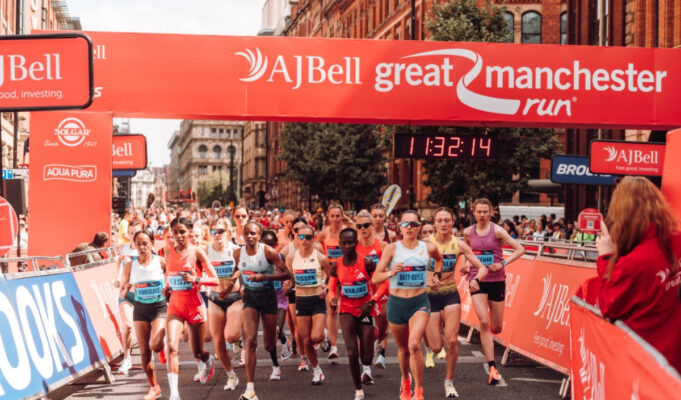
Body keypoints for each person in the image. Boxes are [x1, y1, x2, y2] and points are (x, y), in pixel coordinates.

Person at [595, 177, 681, 372]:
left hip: (646, 360)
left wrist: (606, 258)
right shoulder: (676, 241)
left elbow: (609, 305)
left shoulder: (633, 263)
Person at [372, 210, 443, 400]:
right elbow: (375, 277)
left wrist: (436, 276)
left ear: (419, 227)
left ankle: (419, 391)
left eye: (413, 224)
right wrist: (390, 273)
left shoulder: (428, 247)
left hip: (419, 302)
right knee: (403, 349)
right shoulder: (392, 249)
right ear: (399, 227)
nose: (409, 228)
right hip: (396, 304)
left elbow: (439, 259)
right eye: (405, 224)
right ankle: (405, 382)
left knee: (414, 345)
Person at [426, 207, 488, 398]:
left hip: (450, 294)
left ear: (452, 222)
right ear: (434, 223)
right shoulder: (425, 244)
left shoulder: (458, 244)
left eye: (447, 220)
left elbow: (482, 267)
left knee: (452, 341)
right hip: (429, 296)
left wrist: (476, 279)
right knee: (437, 347)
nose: (443, 224)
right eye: (440, 220)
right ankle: (433, 347)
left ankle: (449, 382)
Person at [463, 199, 525, 385]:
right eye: (479, 211)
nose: (482, 215)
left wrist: (503, 263)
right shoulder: (468, 232)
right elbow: (468, 252)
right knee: (483, 321)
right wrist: (467, 266)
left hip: (497, 280)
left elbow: (520, 249)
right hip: (477, 280)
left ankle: (490, 338)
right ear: (473, 212)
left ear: (491, 213)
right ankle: (492, 367)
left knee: (496, 327)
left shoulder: (497, 231)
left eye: (485, 212)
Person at [234, 222, 290, 400]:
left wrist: (266, 276)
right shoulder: (238, 253)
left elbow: (287, 274)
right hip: (250, 298)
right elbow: (237, 271)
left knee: (268, 345)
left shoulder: (268, 252)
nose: (249, 236)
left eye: (253, 233)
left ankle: (279, 338)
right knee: (250, 340)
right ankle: (250, 389)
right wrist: (230, 287)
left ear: (259, 236)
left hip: (268, 298)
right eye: (246, 233)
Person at [165, 217, 219, 400]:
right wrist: (166, 286)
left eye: (182, 232)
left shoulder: (197, 252)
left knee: (197, 351)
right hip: (175, 306)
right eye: (175, 232)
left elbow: (215, 279)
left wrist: (196, 279)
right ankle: (174, 393)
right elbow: (169, 276)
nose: (179, 236)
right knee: (172, 346)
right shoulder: (167, 252)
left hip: (194, 306)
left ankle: (207, 359)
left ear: (189, 232)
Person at [329, 228, 378, 400]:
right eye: (344, 243)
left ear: (356, 244)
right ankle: (358, 390)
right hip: (347, 310)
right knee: (351, 352)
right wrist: (333, 299)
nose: (348, 245)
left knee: (367, 357)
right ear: (340, 244)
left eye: (351, 242)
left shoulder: (367, 263)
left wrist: (372, 302)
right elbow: (331, 287)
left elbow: (382, 283)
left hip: (366, 309)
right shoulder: (336, 265)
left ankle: (367, 364)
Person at [119, 229, 167, 400]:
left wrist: (167, 290)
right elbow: (122, 293)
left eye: (145, 243)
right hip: (140, 309)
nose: (142, 247)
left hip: (158, 308)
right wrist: (124, 288)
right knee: (144, 352)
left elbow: (169, 282)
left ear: (152, 244)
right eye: (138, 244)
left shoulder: (160, 262)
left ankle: (162, 341)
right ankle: (154, 387)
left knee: (155, 345)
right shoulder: (130, 265)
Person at [288, 224, 331, 384]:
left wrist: (325, 286)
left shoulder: (320, 257)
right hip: (301, 300)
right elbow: (290, 278)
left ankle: (323, 335)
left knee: (315, 337)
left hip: (317, 300)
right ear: (296, 238)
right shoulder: (291, 257)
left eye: (308, 237)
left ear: (313, 239)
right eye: (301, 237)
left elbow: (330, 274)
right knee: (306, 341)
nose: (304, 240)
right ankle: (317, 370)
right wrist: (288, 284)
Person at [205, 219, 240, 392]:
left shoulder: (235, 251)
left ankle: (238, 339)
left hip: (234, 297)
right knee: (218, 344)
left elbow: (244, 269)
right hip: (214, 298)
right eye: (213, 231)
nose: (217, 235)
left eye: (221, 231)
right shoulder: (205, 251)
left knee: (231, 336)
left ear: (228, 232)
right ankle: (231, 375)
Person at [316, 204, 354, 361]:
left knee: (349, 309)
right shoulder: (324, 233)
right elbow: (316, 246)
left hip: (347, 274)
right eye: (332, 216)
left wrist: (349, 220)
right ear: (328, 217)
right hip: (331, 274)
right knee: (332, 309)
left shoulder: (347, 231)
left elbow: (356, 232)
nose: (335, 219)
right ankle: (333, 346)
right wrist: (324, 261)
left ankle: (353, 343)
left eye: (338, 216)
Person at [354, 211, 389, 369]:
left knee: (381, 330)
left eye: (366, 225)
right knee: (363, 331)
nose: (363, 229)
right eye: (359, 226)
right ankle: (366, 368)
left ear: (372, 226)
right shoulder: (353, 247)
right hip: (362, 292)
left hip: (381, 290)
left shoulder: (382, 246)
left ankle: (379, 340)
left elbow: (388, 273)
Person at [260, 230, 293, 381]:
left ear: (275, 245)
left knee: (275, 330)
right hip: (265, 300)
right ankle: (276, 363)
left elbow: (289, 275)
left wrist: (288, 283)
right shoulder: (255, 260)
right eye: (264, 244)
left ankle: (276, 367)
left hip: (280, 299)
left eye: (270, 245)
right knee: (270, 337)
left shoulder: (281, 257)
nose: (268, 248)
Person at [115, 219, 144, 375]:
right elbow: (119, 262)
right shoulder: (123, 248)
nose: (133, 236)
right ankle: (127, 358)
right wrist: (118, 278)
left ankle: (149, 358)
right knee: (127, 325)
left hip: (143, 294)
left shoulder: (145, 249)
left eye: (137, 233)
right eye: (131, 233)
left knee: (144, 330)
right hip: (126, 294)